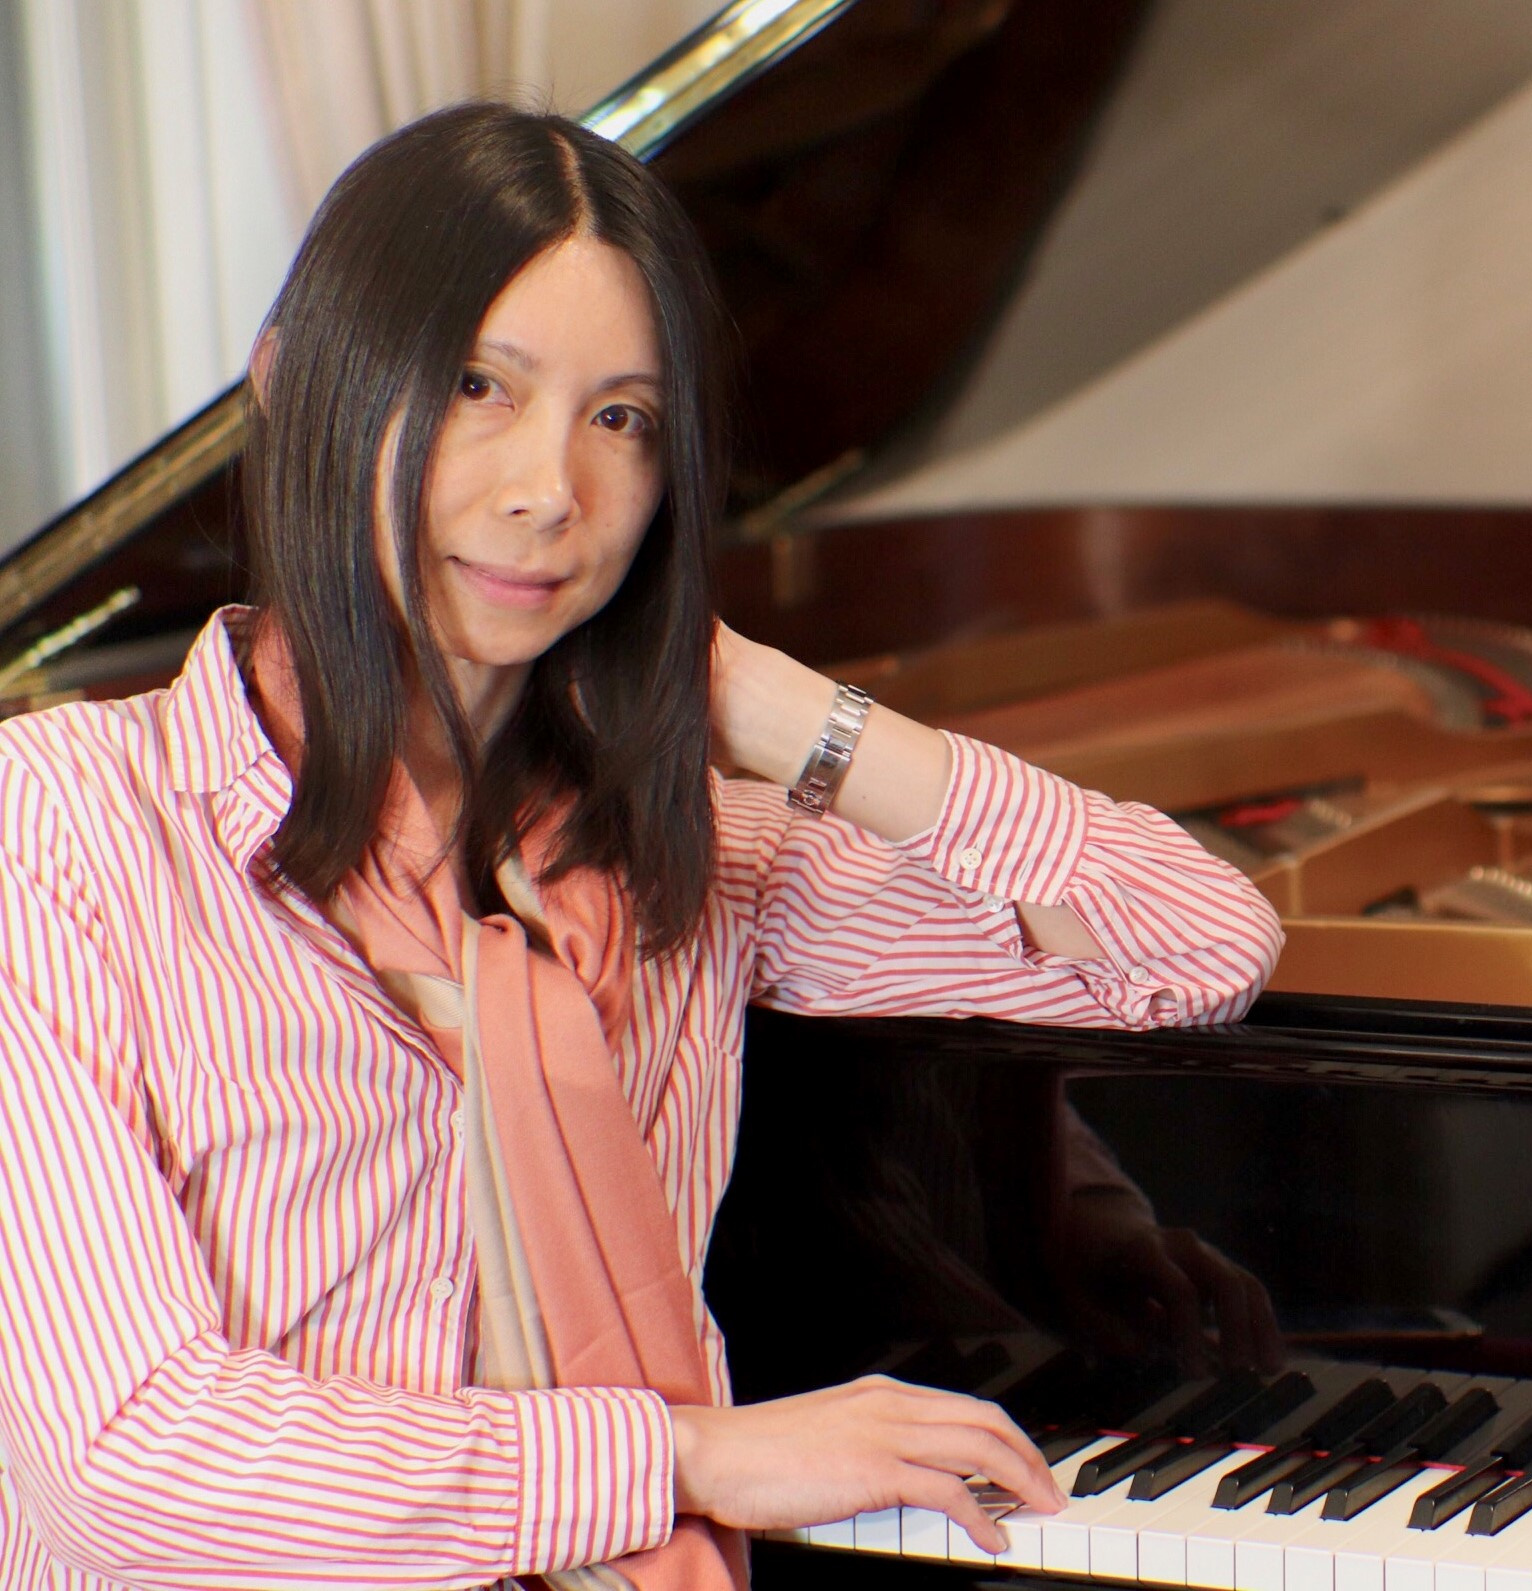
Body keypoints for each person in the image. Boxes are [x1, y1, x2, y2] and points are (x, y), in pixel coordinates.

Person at [0, 103, 1283, 1591]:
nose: (553, 492)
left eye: (625, 419)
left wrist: (793, 714)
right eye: (481, 385)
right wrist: (686, 1458)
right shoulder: (58, 833)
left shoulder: (694, 854)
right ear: (297, 384)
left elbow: (1193, 946)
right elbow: (134, 1471)